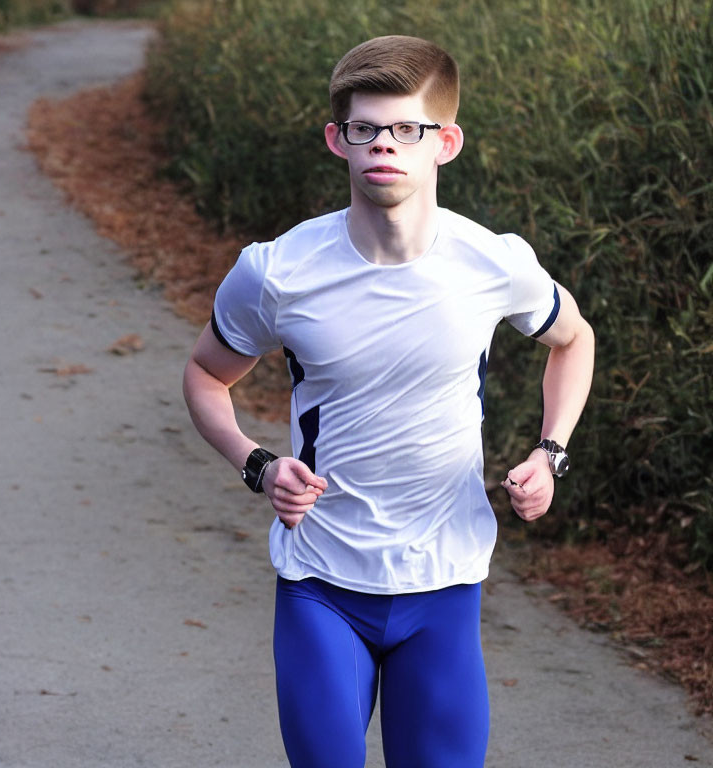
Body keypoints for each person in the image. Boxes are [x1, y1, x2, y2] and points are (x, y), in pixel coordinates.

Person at [183, 35, 595, 768]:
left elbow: (574, 340)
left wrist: (550, 451)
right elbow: (206, 377)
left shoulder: (492, 262)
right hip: (321, 584)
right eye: (366, 129)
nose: (385, 146)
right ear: (336, 140)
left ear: (447, 142)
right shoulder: (276, 272)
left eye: (408, 129)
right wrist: (257, 465)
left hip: (445, 585)